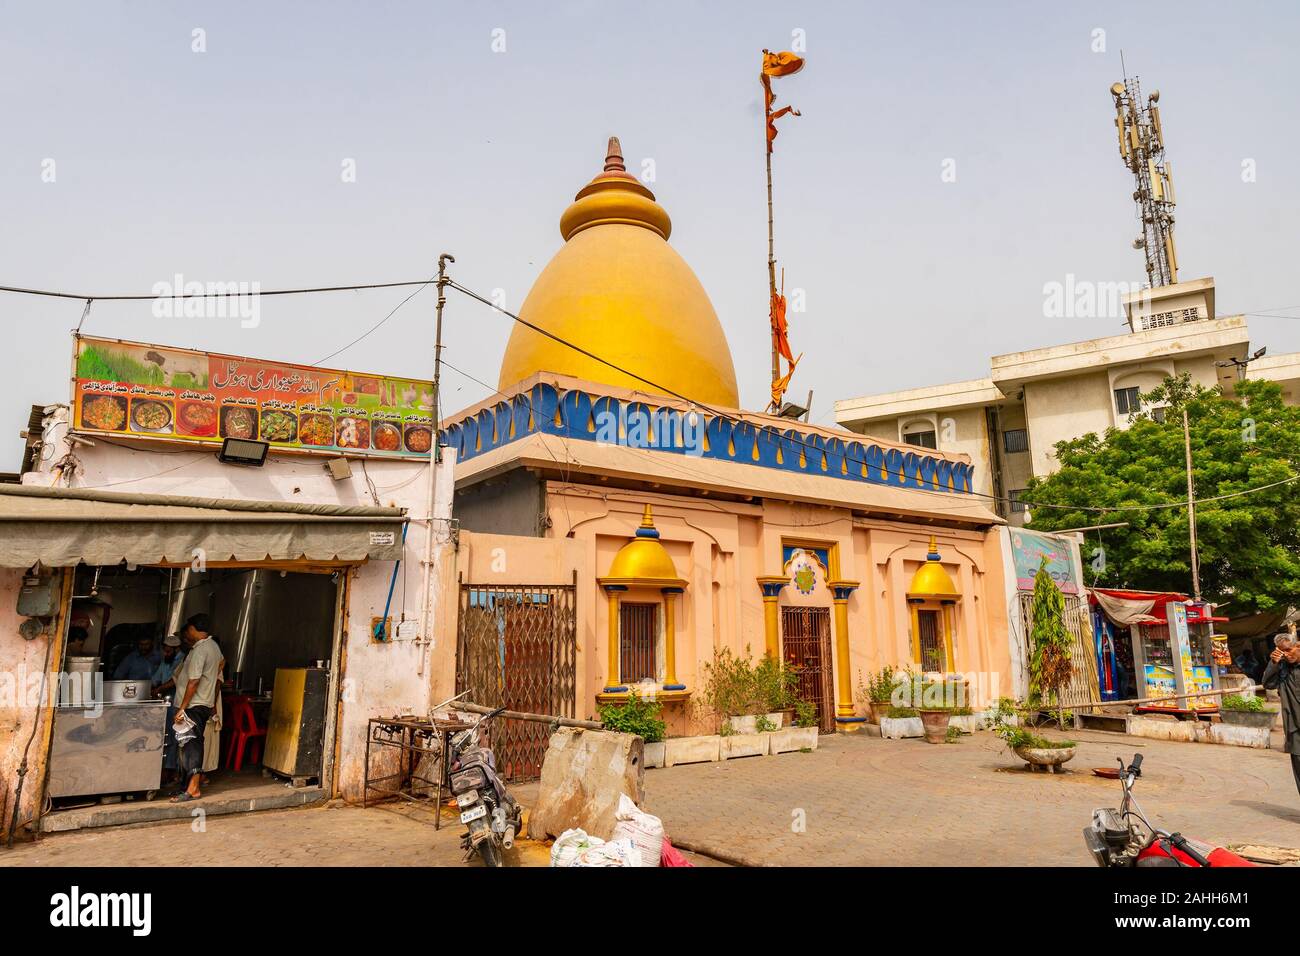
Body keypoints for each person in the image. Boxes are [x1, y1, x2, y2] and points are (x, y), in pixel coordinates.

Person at [171, 614, 223, 802]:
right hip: (202, 703)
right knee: (189, 744)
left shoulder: (202, 649)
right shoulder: (213, 646)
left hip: (194, 705)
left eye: (188, 629)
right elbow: (221, 664)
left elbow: (194, 682)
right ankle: (187, 786)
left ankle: (193, 788)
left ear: (193, 629)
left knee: (192, 746)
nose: (187, 633)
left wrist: (182, 708)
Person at [1262, 633, 1300, 798]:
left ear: (1298, 646)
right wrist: (1273, 664)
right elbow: (1267, 683)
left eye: (1289, 649)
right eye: (1282, 651)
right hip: (1294, 727)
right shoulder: (1282, 668)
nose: (1287, 654)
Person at [152, 634, 187, 698]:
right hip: (165, 696)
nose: (165, 654)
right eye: (164, 651)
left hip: (178, 697)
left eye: (168, 651)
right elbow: (155, 679)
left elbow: (174, 681)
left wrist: (159, 689)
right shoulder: (165, 661)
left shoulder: (184, 660)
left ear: (177, 649)